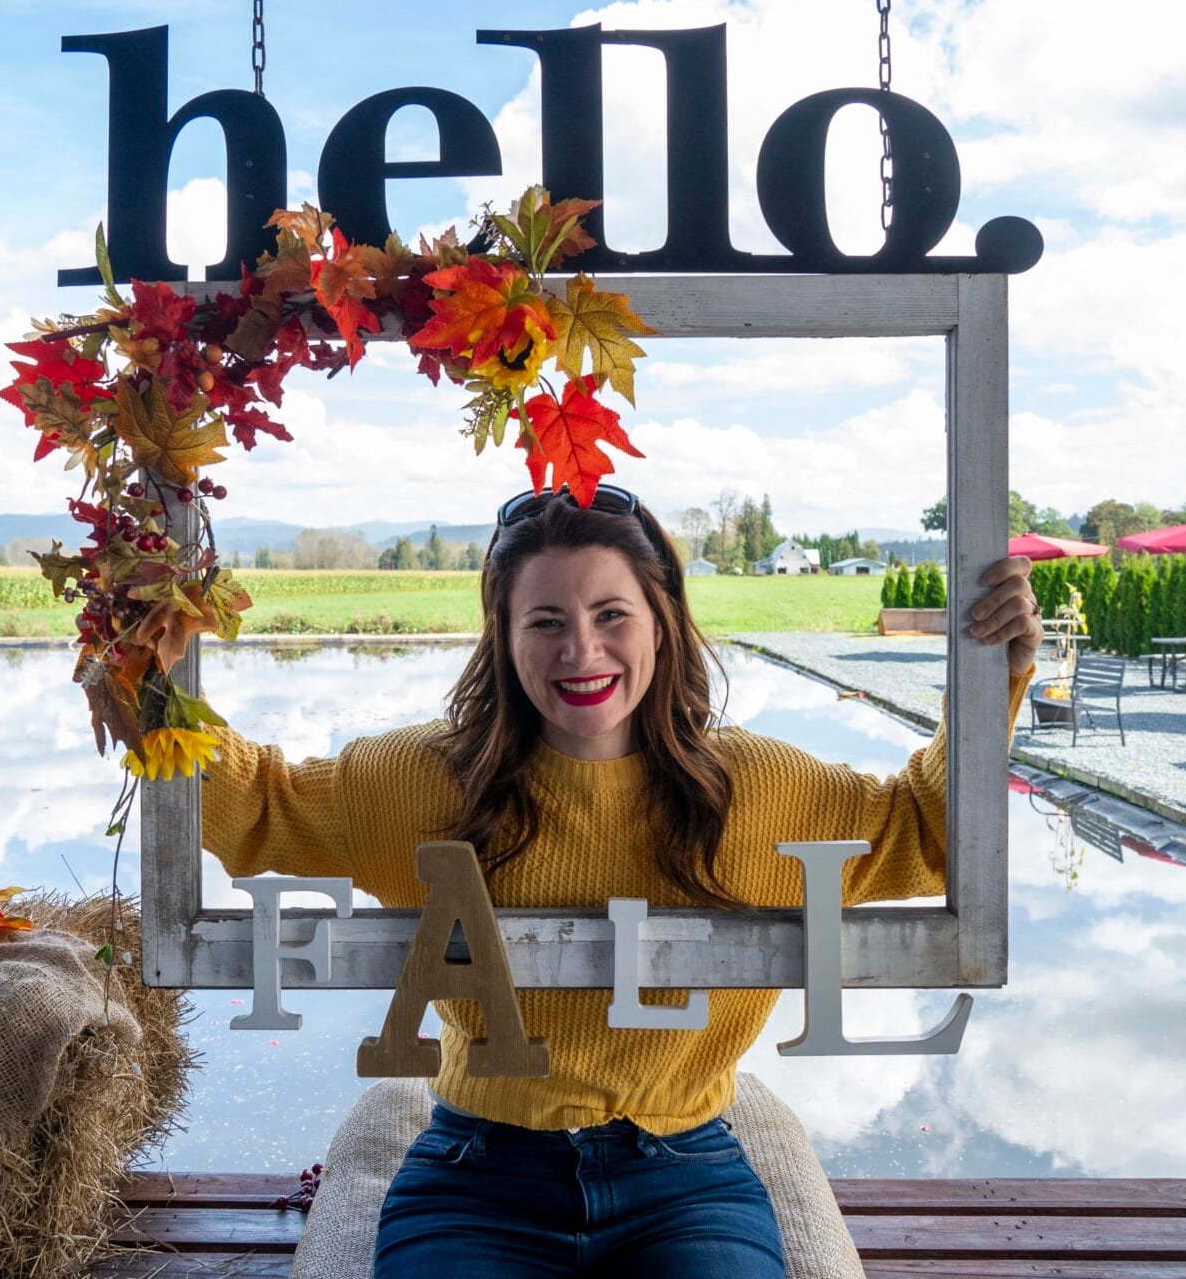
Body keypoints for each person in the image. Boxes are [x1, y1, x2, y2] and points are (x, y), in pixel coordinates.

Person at [202, 484, 1039, 1278]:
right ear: (502, 635)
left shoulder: (760, 790)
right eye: (545, 621)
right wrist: (145, 671)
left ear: (662, 624)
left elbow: (926, 830)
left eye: (611, 615)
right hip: (477, 1173)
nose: (581, 650)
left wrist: (991, 677)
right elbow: (256, 804)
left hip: (688, 1177)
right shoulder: (417, 782)